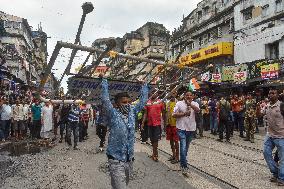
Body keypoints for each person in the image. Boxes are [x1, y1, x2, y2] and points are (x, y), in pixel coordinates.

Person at [100, 77, 148, 189]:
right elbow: (105, 99)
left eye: (128, 102)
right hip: (116, 160)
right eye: (124, 102)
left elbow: (142, 102)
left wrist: (144, 86)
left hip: (129, 159)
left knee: (122, 184)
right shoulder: (113, 114)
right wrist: (104, 82)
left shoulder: (132, 112)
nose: (127, 104)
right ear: (117, 104)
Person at [173, 91, 200, 177]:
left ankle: (182, 162)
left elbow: (198, 110)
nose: (188, 96)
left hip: (191, 129)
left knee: (186, 148)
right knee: (183, 147)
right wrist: (184, 113)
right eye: (187, 95)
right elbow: (174, 114)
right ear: (184, 96)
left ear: (193, 97)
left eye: (190, 95)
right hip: (181, 128)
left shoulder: (195, 103)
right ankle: (184, 167)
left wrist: (190, 105)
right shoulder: (179, 103)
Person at [263, 89, 284, 186]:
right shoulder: (267, 105)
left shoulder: (281, 106)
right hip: (270, 135)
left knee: (282, 158)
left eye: (273, 93)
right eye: (269, 93)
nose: (271, 95)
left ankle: (281, 177)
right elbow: (260, 115)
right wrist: (258, 109)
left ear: (277, 95)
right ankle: (276, 171)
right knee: (266, 152)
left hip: (281, 136)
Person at [142, 91, 165, 162]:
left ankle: (155, 154)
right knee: (152, 139)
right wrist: (143, 122)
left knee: (155, 139)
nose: (153, 94)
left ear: (157, 94)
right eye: (152, 93)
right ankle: (154, 153)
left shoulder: (160, 102)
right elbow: (145, 113)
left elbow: (164, 113)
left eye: (154, 93)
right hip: (149, 124)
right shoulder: (147, 102)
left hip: (157, 124)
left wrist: (165, 123)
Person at [165, 91, 179, 164]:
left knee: (176, 141)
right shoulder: (167, 103)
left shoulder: (178, 103)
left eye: (173, 93)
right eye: (171, 93)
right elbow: (165, 114)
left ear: (176, 94)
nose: (172, 95)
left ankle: (177, 157)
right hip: (169, 125)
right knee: (171, 141)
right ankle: (173, 155)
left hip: (176, 125)